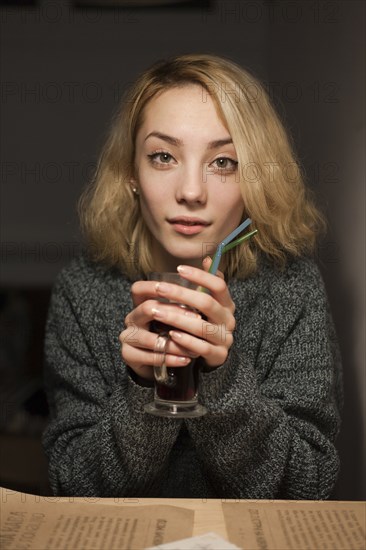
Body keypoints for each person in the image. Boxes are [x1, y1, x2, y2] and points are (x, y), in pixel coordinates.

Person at [42, 53, 343, 499]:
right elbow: (71, 484)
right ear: (131, 173)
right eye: (163, 156)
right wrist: (143, 387)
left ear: (254, 177)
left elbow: (307, 488)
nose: (190, 192)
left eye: (223, 162)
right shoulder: (84, 289)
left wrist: (222, 374)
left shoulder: (290, 288)